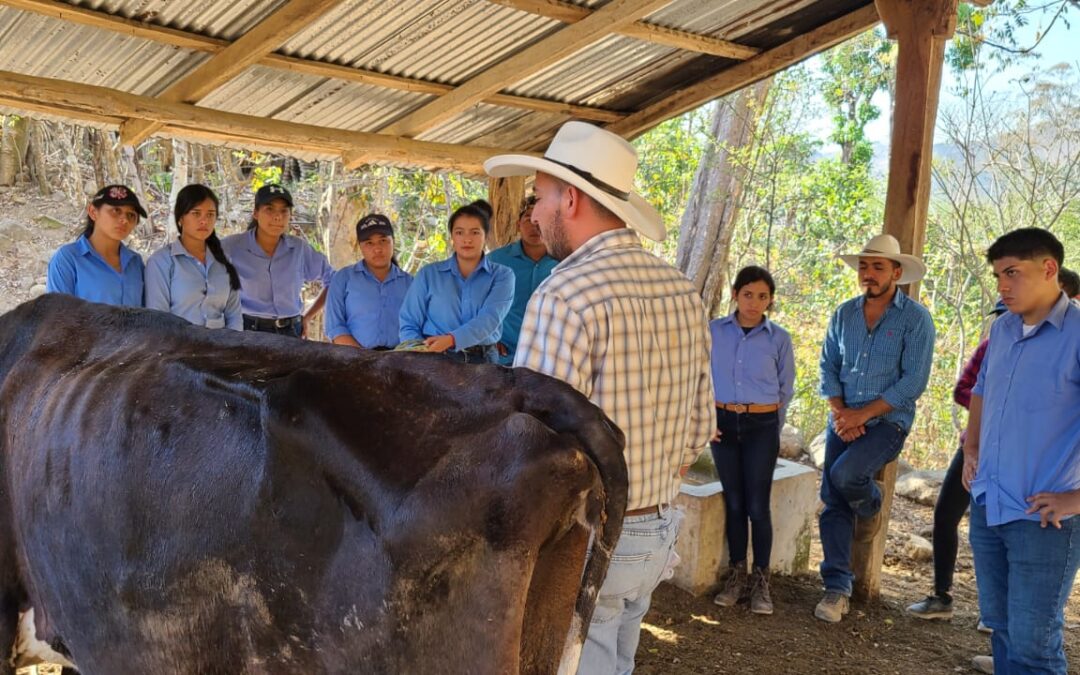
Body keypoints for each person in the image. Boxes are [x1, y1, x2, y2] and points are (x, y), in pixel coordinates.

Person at [485, 121, 713, 673]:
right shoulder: (682, 290)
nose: (535, 214)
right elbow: (699, 430)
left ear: (572, 198)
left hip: (589, 543)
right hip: (656, 530)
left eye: (540, 197)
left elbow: (535, 450)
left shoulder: (565, 294)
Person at [964, 228, 1080, 674]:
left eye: (1013, 273)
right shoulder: (1004, 328)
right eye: (997, 276)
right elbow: (982, 389)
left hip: (1043, 517)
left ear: (1049, 269)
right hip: (989, 503)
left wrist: (1076, 499)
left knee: (1035, 645)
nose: (1003, 286)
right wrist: (971, 449)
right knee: (1003, 628)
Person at [815, 233, 936, 623]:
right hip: (844, 417)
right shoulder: (844, 314)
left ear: (897, 273)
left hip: (887, 422)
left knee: (846, 474)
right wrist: (841, 413)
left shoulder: (915, 319)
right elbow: (828, 367)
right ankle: (836, 588)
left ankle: (871, 504)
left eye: (878, 267)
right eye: (864, 267)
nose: (869, 274)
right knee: (832, 496)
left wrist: (861, 416)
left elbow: (912, 382)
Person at [907, 300, 1007, 625]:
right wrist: (986, 409)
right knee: (945, 514)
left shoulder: (1049, 354)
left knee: (1000, 530)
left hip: (1013, 457)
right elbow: (963, 388)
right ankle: (941, 596)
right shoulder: (989, 349)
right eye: (1001, 318)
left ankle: (995, 614)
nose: (1005, 324)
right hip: (973, 448)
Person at [709, 265, 795, 616]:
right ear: (735, 295)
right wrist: (706, 421)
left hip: (762, 424)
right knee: (734, 502)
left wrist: (772, 427)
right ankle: (736, 575)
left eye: (763, 296)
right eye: (748, 294)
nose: (754, 302)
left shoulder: (779, 339)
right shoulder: (714, 331)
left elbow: (785, 387)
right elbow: (700, 377)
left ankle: (761, 581)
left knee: (757, 505)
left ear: (770, 300)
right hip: (722, 424)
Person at [398, 204, 514, 363]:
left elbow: (489, 319)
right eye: (459, 232)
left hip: (483, 361)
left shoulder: (502, 275)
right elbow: (409, 322)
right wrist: (418, 355)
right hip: (435, 357)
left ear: (486, 236)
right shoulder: (429, 274)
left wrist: (452, 339)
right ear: (452, 238)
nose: (467, 239)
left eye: (475, 232)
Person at [220, 184, 333, 337]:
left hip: (291, 332)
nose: (277, 216)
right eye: (269, 209)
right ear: (255, 213)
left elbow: (333, 280)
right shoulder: (232, 247)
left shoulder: (299, 249)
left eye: (284, 211)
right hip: (247, 332)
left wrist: (307, 316)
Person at [144, 184, 242, 330]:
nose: (204, 221)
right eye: (196, 213)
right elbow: (158, 320)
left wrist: (234, 349)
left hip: (223, 348)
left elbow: (234, 314)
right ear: (180, 218)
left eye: (210, 214)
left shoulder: (224, 261)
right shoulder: (162, 262)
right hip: (179, 348)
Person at [46, 184, 147, 307]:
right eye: (116, 211)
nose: (124, 220)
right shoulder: (68, 259)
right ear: (93, 212)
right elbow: (57, 318)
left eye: (131, 215)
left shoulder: (135, 262)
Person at [324, 213, 412, 349]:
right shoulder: (343, 279)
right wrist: (365, 359)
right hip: (354, 360)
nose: (377, 249)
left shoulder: (410, 283)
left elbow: (417, 328)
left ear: (393, 241)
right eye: (369, 243)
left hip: (400, 361)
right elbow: (334, 327)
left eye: (383, 241)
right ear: (360, 246)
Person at [487, 196, 558, 365]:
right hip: (505, 357)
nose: (535, 224)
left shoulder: (565, 262)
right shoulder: (496, 262)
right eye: (528, 218)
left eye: (542, 219)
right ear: (518, 225)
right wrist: (487, 337)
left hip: (551, 359)